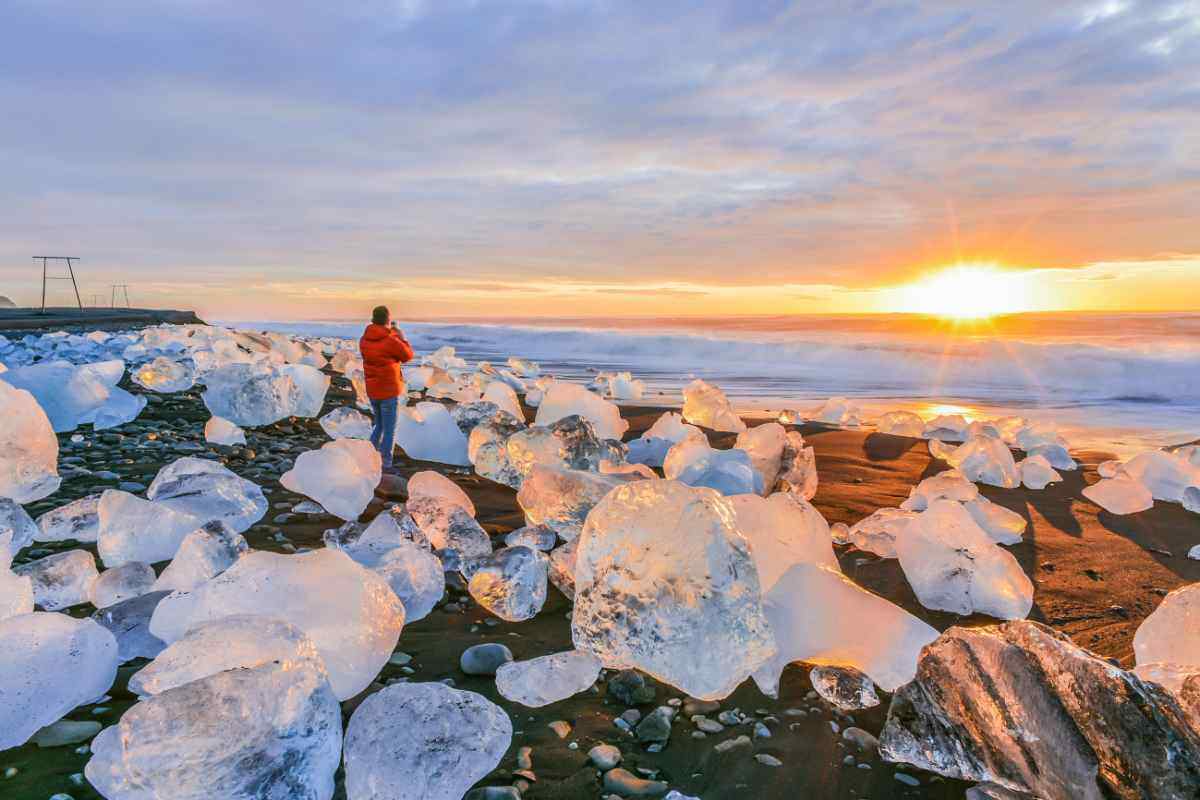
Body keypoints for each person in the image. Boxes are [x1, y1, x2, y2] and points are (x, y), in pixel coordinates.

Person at [359, 305, 414, 471]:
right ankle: (386, 463)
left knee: (380, 425)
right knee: (389, 428)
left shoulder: (364, 339)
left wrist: (391, 333)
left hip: (373, 389)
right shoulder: (390, 340)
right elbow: (407, 356)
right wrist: (401, 336)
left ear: (373, 319)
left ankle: (368, 456)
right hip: (388, 390)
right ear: (388, 320)